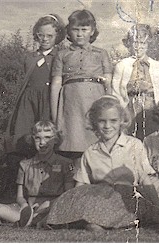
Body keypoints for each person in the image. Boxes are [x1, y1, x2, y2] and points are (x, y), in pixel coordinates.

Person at [45, 96, 159, 230]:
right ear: (94, 122)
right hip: (100, 200)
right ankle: (91, 223)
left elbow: (146, 181)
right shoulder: (91, 152)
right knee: (82, 200)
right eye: (102, 121)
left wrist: (158, 213)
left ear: (121, 121)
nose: (107, 126)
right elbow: (81, 186)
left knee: (152, 207)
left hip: (126, 199)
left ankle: (99, 224)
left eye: (113, 121)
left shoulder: (134, 145)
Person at [50, 9, 113, 160]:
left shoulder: (101, 53)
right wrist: (54, 117)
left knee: (95, 143)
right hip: (71, 103)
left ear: (92, 31)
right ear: (69, 31)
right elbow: (55, 85)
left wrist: (109, 111)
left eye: (84, 30)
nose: (80, 34)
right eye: (75, 30)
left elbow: (108, 84)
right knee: (71, 141)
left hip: (94, 99)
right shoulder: (62, 54)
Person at [5, 14, 66, 159]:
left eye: (49, 36)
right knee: (25, 135)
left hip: (48, 100)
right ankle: (26, 169)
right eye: (41, 35)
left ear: (57, 36)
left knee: (47, 134)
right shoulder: (30, 57)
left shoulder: (60, 56)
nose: (45, 39)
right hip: (29, 101)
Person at [0, 121, 74, 228]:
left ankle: (32, 221)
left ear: (55, 140)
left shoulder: (65, 163)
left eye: (47, 138)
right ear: (32, 139)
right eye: (38, 138)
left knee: (62, 211)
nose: (42, 142)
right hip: (30, 209)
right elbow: (20, 196)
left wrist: (48, 205)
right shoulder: (25, 164)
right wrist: (24, 206)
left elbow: (68, 194)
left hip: (53, 206)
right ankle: (35, 221)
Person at [111, 23, 159, 140]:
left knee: (150, 138)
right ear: (129, 43)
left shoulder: (158, 66)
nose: (138, 47)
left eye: (143, 43)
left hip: (151, 109)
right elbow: (116, 92)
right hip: (130, 109)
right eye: (135, 42)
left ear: (148, 45)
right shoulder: (121, 65)